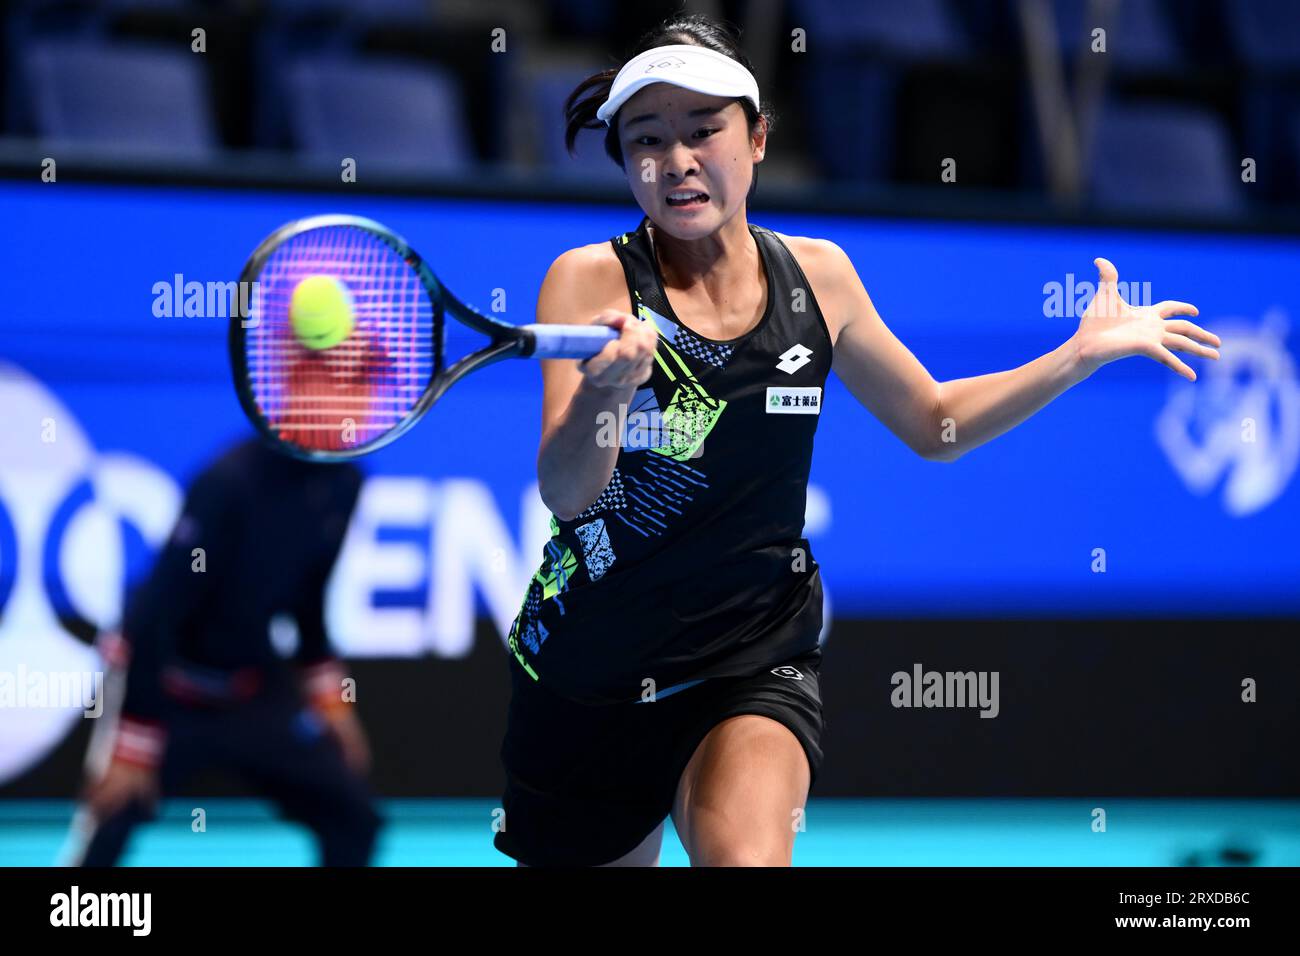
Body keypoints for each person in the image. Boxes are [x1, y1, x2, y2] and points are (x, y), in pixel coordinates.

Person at [491, 14, 1221, 868]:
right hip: (589, 676)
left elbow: (935, 424)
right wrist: (605, 395)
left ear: (758, 138)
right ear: (624, 163)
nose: (679, 160)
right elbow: (569, 491)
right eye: (648, 140)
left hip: (750, 656)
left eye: (704, 131)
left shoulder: (819, 277)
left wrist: (1075, 355)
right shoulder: (589, 280)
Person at [67, 438, 381, 866]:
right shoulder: (227, 482)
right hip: (164, 692)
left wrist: (336, 704)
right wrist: (132, 748)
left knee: (355, 816)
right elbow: (155, 615)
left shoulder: (345, 484)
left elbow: (309, 610)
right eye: (318, 373)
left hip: (252, 692)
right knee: (105, 830)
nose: (343, 393)